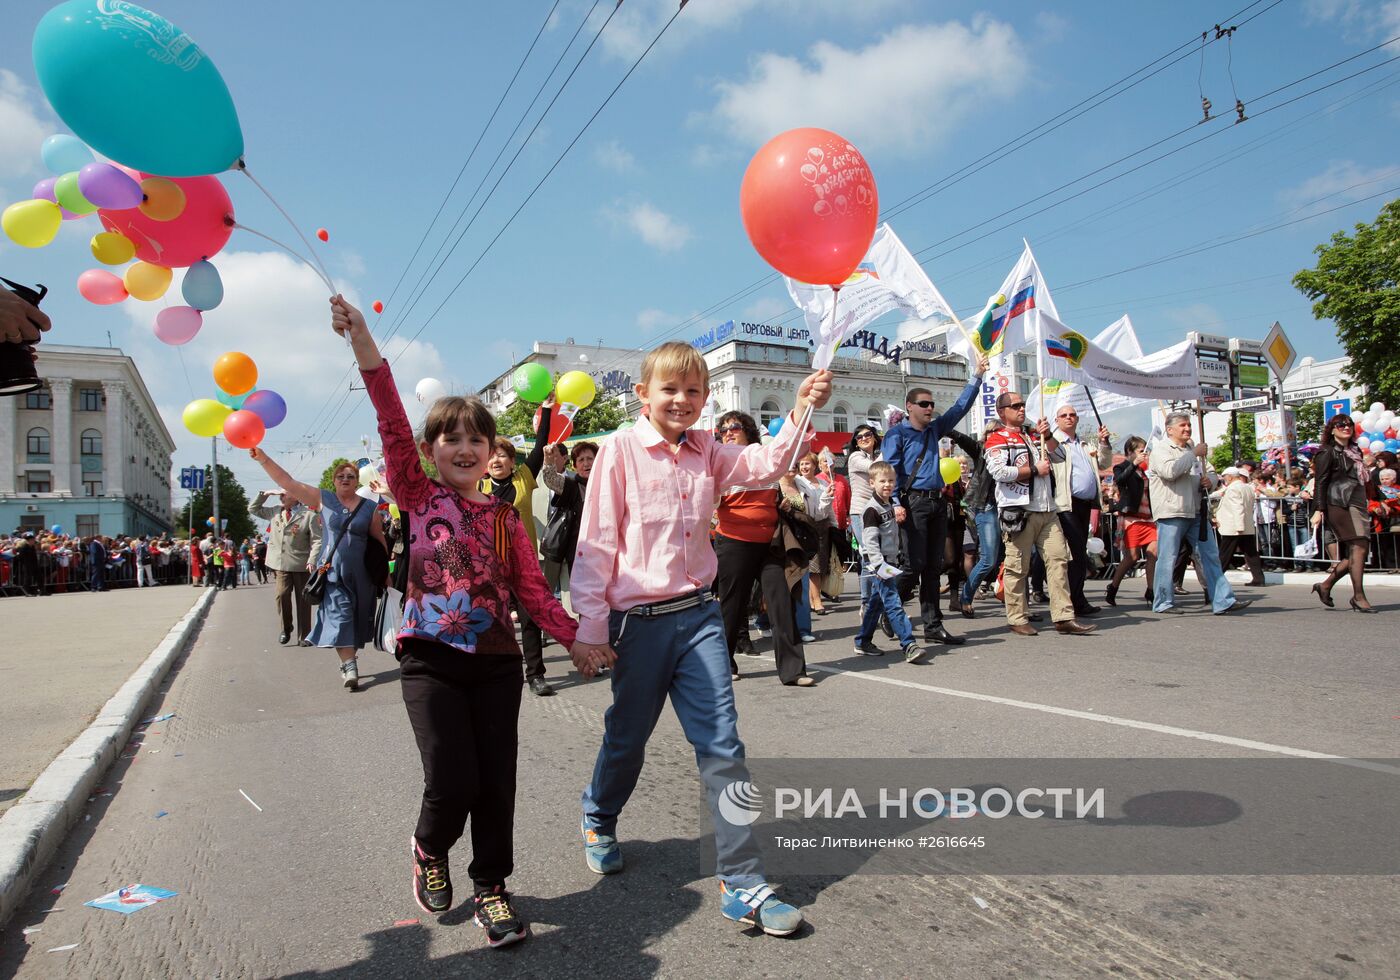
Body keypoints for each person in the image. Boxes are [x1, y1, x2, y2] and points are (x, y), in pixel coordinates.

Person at [334, 294, 576, 947]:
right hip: (430, 659)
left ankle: (492, 889)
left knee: (496, 782)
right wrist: (363, 343)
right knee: (451, 777)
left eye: (477, 438)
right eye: (452, 438)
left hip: (497, 662)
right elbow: (388, 416)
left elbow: (532, 590)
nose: (466, 447)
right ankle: (430, 848)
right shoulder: (417, 495)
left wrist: (583, 639)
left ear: (491, 449)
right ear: (430, 452)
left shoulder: (502, 517)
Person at [569, 340, 832, 937]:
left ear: (705, 399)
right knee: (627, 738)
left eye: (693, 391)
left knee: (722, 747)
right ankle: (600, 814)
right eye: (670, 390)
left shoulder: (709, 449)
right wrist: (589, 630)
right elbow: (595, 544)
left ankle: (741, 882)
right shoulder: (617, 452)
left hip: (700, 618)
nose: (682, 401)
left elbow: (765, 466)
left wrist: (801, 406)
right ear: (643, 395)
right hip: (637, 625)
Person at [251, 454, 385, 689]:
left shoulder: (370, 507)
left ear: (357, 482)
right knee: (340, 616)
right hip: (332, 572)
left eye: (351, 476)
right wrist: (263, 459)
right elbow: (289, 482)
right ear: (334, 481)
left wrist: (386, 573)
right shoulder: (325, 499)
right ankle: (349, 666)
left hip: (362, 574)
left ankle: (349, 657)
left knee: (356, 618)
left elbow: (379, 540)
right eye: (341, 476)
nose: (346, 479)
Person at [881, 356, 988, 647]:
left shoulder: (935, 430)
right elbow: (889, 470)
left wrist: (976, 376)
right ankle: (888, 610)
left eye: (931, 404)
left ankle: (932, 625)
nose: (930, 408)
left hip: (937, 503)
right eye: (924, 404)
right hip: (911, 502)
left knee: (933, 566)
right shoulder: (897, 434)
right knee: (913, 566)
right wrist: (895, 502)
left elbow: (960, 407)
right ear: (910, 407)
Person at [711, 411, 813, 686]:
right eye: (722, 430)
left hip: (770, 542)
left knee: (781, 602)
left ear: (749, 430)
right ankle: (724, 664)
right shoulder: (718, 462)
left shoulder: (764, 454)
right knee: (732, 605)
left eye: (734, 427)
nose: (728, 432)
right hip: (733, 542)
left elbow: (797, 451)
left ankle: (794, 671)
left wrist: (782, 502)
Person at [984, 392, 1096, 637]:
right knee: (1017, 567)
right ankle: (1017, 617)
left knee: (1058, 561)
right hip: (1019, 511)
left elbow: (1059, 456)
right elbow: (999, 472)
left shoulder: (1034, 434)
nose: (1022, 409)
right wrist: (1034, 469)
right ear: (1002, 411)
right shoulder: (997, 439)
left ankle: (1064, 616)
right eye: (1016, 406)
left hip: (1047, 509)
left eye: (1023, 405)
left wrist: (1047, 435)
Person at [482, 396, 555, 697]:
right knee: (491, 622)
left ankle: (535, 674)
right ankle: (493, 673)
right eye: (492, 456)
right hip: (490, 567)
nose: (497, 460)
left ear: (513, 461)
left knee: (530, 621)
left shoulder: (524, 478)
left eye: (503, 456)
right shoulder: (478, 487)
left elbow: (540, 446)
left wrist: (547, 410)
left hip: (523, 565)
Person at [1148, 412, 1250, 616]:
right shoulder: (1161, 450)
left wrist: (1210, 481)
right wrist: (1193, 453)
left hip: (1196, 511)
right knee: (1168, 558)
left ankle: (1222, 600)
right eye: (1183, 425)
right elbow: (1170, 471)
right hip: (1172, 511)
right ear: (1170, 430)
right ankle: (1162, 601)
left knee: (1210, 555)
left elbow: (1210, 472)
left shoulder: (1192, 449)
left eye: (1189, 425)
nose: (1187, 428)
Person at [1048, 404, 1112, 617]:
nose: (1069, 418)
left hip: (1085, 504)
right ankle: (1074, 600)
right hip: (1066, 504)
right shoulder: (1053, 443)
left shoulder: (1084, 444)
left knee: (1078, 552)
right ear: (1056, 420)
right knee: (1073, 553)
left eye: (1072, 414)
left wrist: (1104, 442)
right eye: (1064, 415)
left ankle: (1074, 597)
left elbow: (1104, 463)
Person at [854, 461, 922, 660]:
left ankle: (862, 641)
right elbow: (870, 540)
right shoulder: (871, 510)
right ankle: (909, 644)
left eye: (891, 481)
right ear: (871, 483)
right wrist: (878, 565)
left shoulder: (888, 504)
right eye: (882, 481)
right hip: (880, 564)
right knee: (893, 602)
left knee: (876, 603)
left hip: (889, 561)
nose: (887, 485)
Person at [1310, 414, 1377, 613]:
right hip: (1338, 503)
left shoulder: (1354, 450)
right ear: (1332, 429)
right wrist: (1318, 510)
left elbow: (1362, 480)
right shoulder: (1327, 452)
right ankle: (1358, 596)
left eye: (1349, 424)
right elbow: (1320, 483)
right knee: (1358, 545)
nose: (1346, 427)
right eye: (1340, 425)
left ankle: (1325, 585)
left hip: (1357, 501)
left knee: (1359, 549)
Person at [250, 489, 324, 645]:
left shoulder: (308, 515)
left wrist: (312, 559)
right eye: (280, 495)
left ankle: (304, 635)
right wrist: (265, 494)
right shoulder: (275, 511)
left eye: (284, 494)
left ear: (296, 496)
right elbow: (253, 509)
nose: (281, 497)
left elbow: (317, 540)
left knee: (303, 600)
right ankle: (286, 628)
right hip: (280, 563)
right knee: (282, 595)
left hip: (301, 564)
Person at [957, 430, 1003, 617]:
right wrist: (941, 426)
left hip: (1013, 507)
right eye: (991, 433)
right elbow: (962, 438)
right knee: (988, 559)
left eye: (998, 432)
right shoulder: (981, 451)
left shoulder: (1011, 451)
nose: (995, 436)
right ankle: (966, 597)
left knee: (1021, 557)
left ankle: (1021, 605)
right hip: (986, 506)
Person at [1106, 436, 1157, 605]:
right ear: (1130, 452)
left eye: (1145, 451)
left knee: (1153, 554)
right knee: (1132, 557)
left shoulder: (1145, 470)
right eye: (1140, 451)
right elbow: (1120, 480)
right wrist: (1134, 464)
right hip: (1132, 517)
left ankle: (1151, 590)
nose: (1144, 454)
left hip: (1148, 517)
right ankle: (1113, 587)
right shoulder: (1122, 467)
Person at [845, 424, 882, 618]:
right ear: (856, 443)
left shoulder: (878, 455)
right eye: (859, 437)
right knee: (868, 555)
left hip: (878, 511)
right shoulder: (855, 457)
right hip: (860, 512)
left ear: (875, 437)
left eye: (868, 434)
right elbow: (877, 469)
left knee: (877, 556)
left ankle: (875, 602)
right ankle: (867, 603)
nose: (864, 438)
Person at [794, 452, 835, 616]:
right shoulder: (797, 482)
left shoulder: (824, 484)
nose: (804, 467)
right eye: (802, 464)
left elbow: (826, 510)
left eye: (808, 463)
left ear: (815, 465)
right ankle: (814, 600)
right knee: (810, 567)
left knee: (819, 566)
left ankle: (814, 599)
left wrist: (835, 523)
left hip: (822, 527)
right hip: (804, 526)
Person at [1212, 467, 1266, 586]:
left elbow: (1237, 508)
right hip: (1245, 525)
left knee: (1224, 555)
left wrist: (1239, 526)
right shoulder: (1246, 487)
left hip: (1234, 527)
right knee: (1251, 554)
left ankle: (1215, 579)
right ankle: (1259, 578)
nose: (1224, 480)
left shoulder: (1233, 489)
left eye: (1225, 477)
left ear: (1230, 477)